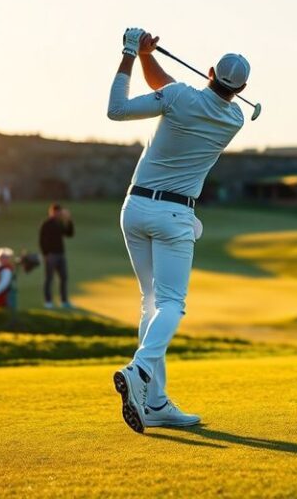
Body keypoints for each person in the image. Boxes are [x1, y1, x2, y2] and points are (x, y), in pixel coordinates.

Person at [108, 28, 249, 433]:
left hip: (133, 208)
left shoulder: (180, 96)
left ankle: (154, 403)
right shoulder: (234, 118)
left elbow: (119, 109)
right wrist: (148, 55)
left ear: (209, 73)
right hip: (174, 217)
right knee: (172, 304)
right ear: (242, 89)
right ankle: (139, 372)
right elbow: (171, 88)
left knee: (151, 302)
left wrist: (131, 53)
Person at [38, 203, 74, 308]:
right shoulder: (46, 224)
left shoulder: (60, 223)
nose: (58, 214)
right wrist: (45, 254)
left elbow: (69, 234)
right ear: (52, 212)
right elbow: (41, 240)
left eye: (59, 212)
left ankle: (64, 301)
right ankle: (48, 301)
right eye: (57, 212)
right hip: (51, 255)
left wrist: (69, 220)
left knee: (64, 278)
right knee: (49, 279)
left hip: (60, 254)